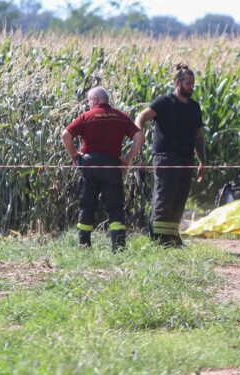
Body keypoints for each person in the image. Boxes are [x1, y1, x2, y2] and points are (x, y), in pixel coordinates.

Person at [61, 86, 144, 252]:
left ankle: (84, 246)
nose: (88, 104)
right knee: (115, 207)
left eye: (89, 101)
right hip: (111, 166)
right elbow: (140, 136)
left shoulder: (87, 116)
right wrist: (127, 159)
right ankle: (118, 247)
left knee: (87, 205)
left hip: (89, 164)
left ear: (96, 100)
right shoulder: (120, 117)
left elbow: (65, 135)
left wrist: (74, 156)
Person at [134, 63, 206, 247]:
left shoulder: (194, 107)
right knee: (164, 198)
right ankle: (159, 239)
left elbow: (199, 136)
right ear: (177, 82)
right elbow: (141, 117)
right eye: (188, 83)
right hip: (165, 157)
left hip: (186, 159)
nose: (191, 87)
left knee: (180, 198)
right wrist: (139, 134)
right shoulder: (164, 102)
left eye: (193, 83)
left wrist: (202, 162)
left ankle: (173, 237)